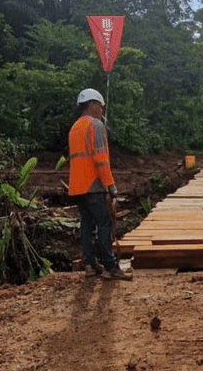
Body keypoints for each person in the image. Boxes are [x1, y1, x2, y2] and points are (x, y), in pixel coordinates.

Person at [68, 88, 132, 280]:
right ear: (92, 104)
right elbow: (100, 159)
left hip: (78, 186)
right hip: (93, 185)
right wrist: (110, 186)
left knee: (86, 225)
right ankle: (110, 266)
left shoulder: (75, 127)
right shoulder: (95, 125)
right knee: (104, 224)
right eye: (100, 106)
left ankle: (89, 264)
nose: (102, 111)